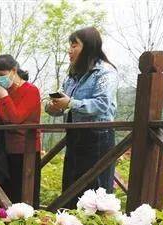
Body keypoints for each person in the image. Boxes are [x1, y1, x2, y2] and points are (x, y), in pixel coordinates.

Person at [46, 26, 118, 208]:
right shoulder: (72, 76)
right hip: (75, 136)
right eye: (69, 45)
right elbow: (63, 103)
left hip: (98, 137)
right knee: (72, 188)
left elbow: (103, 104)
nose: (69, 50)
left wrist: (70, 103)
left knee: (96, 193)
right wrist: (53, 106)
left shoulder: (105, 72)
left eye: (74, 45)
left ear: (89, 47)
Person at [0, 54, 42, 206]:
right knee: (4, 195)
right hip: (5, 150)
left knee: (23, 196)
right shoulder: (6, 93)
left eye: (2, 75)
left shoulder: (30, 90)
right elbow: (3, 116)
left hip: (26, 150)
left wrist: (3, 96)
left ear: (13, 70)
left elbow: (17, 118)